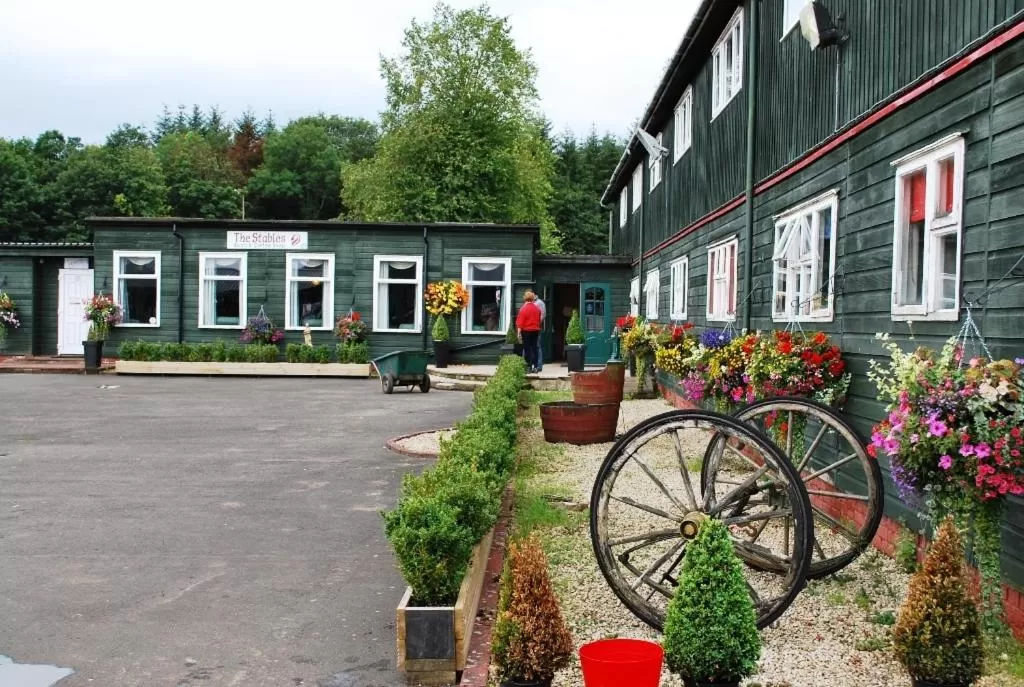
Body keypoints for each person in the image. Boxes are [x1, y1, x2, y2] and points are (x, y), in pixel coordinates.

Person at [516, 291, 542, 373]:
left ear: (525, 298)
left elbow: (520, 323)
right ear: (532, 298)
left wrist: (518, 333)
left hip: (526, 331)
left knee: (527, 349)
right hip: (535, 330)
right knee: (535, 348)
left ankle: (529, 367)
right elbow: (539, 320)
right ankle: (536, 366)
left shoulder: (523, 309)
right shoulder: (537, 309)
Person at [532, 291, 546, 372]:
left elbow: (543, 315)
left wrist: (536, 323)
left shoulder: (540, 303)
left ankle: (539, 365)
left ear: (533, 294)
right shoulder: (529, 302)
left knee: (537, 346)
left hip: (536, 328)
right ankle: (531, 364)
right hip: (529, 329)